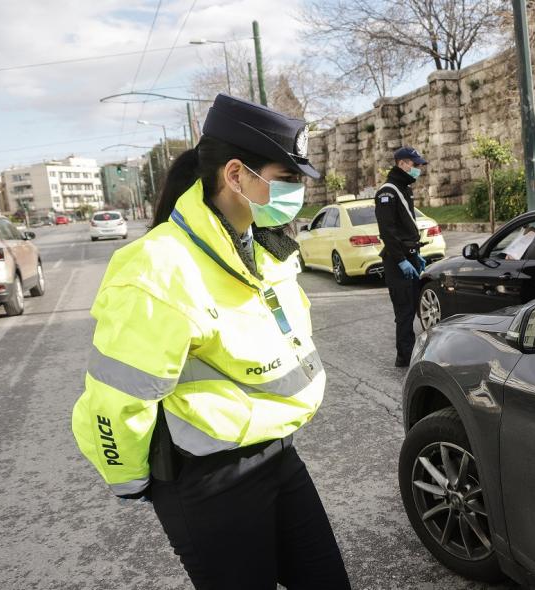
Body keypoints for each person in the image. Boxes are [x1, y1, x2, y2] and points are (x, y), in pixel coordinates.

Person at [71, 93, 351, 589]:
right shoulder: (159, 267)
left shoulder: (265, 248)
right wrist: (130, 478)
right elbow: (116, 398)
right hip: (207, 480)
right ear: (237, 175)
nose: (297, 194)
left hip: (277, 453)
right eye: (286, 180)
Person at [375, 146, 428, 367]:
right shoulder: (387, 191)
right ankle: (405, 357)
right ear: (402, 163)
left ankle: (413, 351)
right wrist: (401, 260)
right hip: (398, 260)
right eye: (414, 165)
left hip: (411, 256)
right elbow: (388, 231)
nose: (417, 169)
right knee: (405, 310)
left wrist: (417, 254)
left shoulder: (404, 188)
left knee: (415, 305)